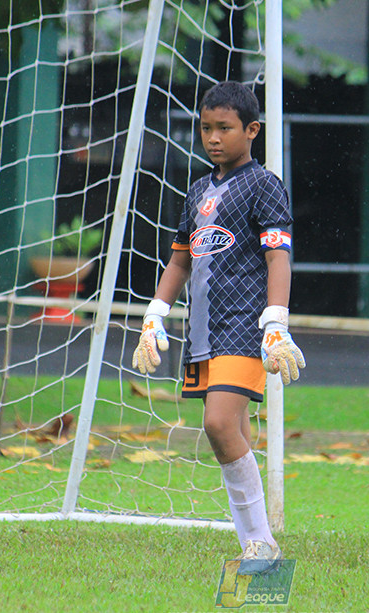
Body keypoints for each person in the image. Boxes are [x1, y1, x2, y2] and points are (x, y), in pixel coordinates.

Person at [132, 82, 305, 575]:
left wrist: (275, 320)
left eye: (224, 128)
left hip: (244, 329)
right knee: (234, 430)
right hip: (204, 333)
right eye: (206, 128)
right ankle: (260, 549)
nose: (213, 137)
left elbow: (279, 256)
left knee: (218, 424)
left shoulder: (264, 185)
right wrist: (156, 313)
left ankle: (260, 545)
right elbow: (180, 261)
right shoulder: (197, 191)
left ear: (252, 130)